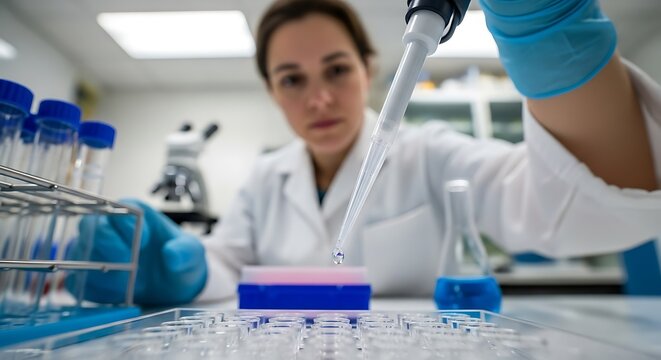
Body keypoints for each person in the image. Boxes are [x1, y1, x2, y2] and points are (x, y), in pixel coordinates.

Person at [75, 0, 661, 306]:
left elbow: (590, 207)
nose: (320, 98)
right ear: (272, 92)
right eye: (292, 79)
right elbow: (230, 262)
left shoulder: (430, 154)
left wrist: (550, 34)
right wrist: (187, 267)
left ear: (369, 68)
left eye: (336, 69)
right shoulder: (265, 177)